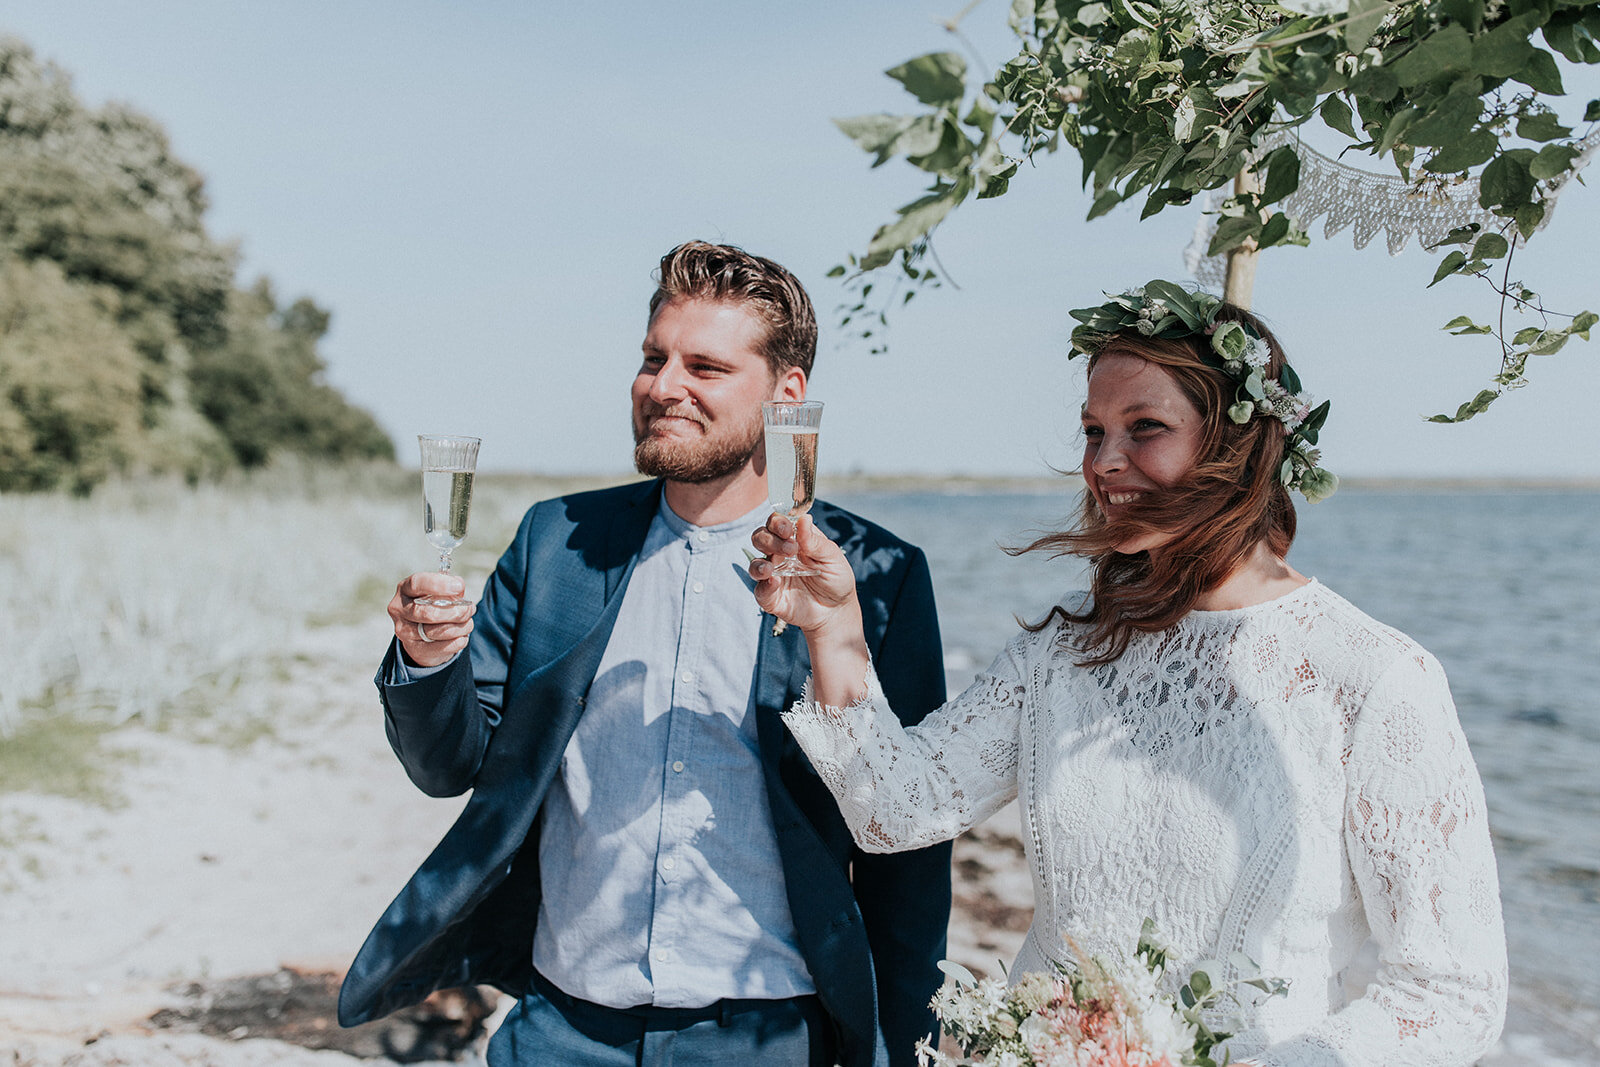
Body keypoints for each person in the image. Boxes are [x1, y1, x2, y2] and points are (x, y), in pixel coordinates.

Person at [749, 283, 1507, 1065]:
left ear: (1238, 444)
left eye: (1145, 428)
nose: (1105, 461)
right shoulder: (1064, 653)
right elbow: (894, 810)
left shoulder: (1374, 678)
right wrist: (834, 627)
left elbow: (1450, 991)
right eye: (1093, 429)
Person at [337, 241, 951, 1067]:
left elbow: (907, 854)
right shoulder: (556, 541)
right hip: (560, 1028)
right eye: (653, 358)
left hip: (767, 1035)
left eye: (704, 366)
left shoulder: (876, 578)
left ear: (786, 393)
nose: (664, 386)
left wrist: (905, 1048)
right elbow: (452, 764)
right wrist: (426, 661)